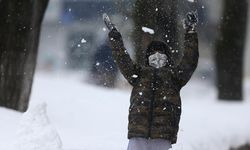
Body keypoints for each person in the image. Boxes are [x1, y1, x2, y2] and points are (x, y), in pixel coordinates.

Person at [108, 12, 199, 150]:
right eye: (153, 57)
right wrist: (115, 38)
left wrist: (190, 31)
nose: (157, 60)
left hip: (162, 135)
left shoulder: (174, 76)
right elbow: (123, 61)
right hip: (138, 133)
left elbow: (189, 61)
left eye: (162, 57)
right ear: (147, 59)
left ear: (168, 59)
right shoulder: (139, 74)